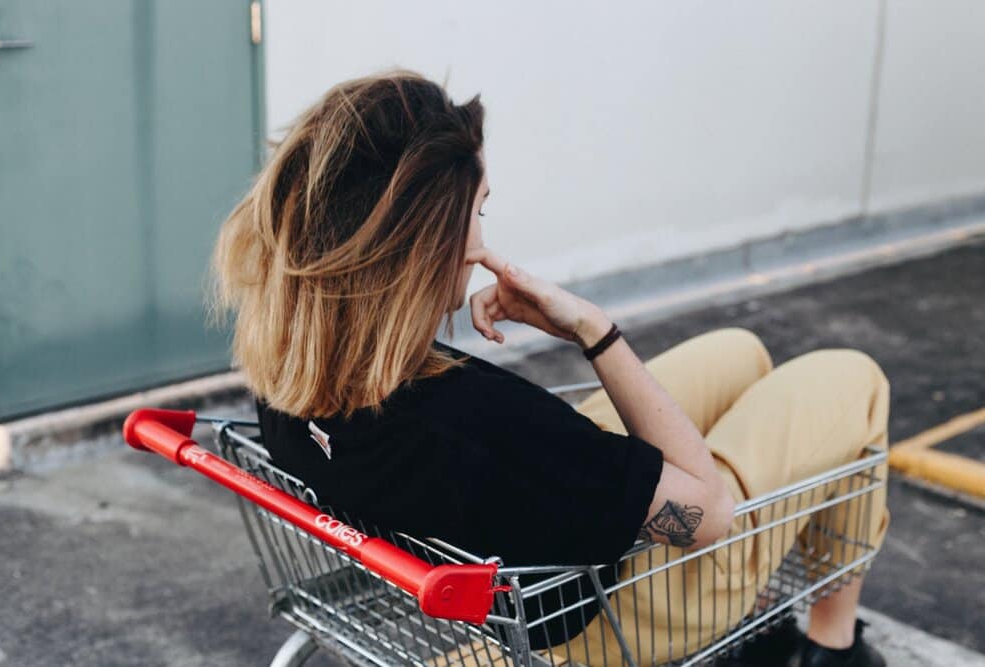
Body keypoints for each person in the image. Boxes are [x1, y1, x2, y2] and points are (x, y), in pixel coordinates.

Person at [211, 70, 889, 667]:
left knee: (741, 352)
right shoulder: (480, 421)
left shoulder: (291, 386)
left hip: (512, 536)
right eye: (476, 215)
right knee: (852, 377)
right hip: (622, 607)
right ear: (423, 249)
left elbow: (519, 447)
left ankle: (774, 620)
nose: (481, 245)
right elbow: (707, 514)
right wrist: (590, 329)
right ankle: (831, 648)